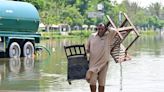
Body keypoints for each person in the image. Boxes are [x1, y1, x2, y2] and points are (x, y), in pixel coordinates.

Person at [86, 23, 116, 92]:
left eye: (102, 29)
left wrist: (107, 27)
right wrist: (86, 52)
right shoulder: (92, 36)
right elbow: (87, 48)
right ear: (97, 29)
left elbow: (114, 31)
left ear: (105, 29)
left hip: (104, 63)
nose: (100, 30)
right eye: (99, 29)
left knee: (102, 82)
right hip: (93, 63)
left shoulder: (108, 36)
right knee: (92, 81)